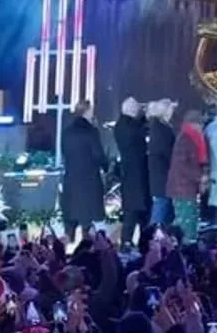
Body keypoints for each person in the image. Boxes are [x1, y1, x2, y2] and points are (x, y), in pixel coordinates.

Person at [60, 100, 106, 241]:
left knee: (70, 219)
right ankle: (87, 251)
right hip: (89, 181)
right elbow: (98, 155)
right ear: (87, 112)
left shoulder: (66, 132)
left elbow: (64, 152)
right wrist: (106, 166)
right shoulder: (91, 132)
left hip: (71, 180)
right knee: (87, 220)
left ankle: (64, 251)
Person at [113, 96, 150, 247]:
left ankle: (128, 243)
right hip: (135, 178)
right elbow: (138, 132)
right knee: (132, 215)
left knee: (133, 214)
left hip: (132, 177)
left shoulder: (123, 125)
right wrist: (145, 117)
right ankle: (128, 244)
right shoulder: (127, 128)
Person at [167, 109, 209, 241]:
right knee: (186, 223)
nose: (202, 128)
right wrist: (200, 177)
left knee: (187, 220)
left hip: (185, 188)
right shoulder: (186, 139)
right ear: (194, 124)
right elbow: (183, 166)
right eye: (200, 124)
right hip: (182, 189)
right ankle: (186, 249)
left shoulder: (190, 138)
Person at [147, 98, 177, 228]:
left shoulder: (158, 128)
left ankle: (158, 235)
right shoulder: (162, 130)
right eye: (170, 110)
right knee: (161, 204)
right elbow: (166, 151)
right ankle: (154, 236)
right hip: (162, 175)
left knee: (162, 204)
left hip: (161, 174)